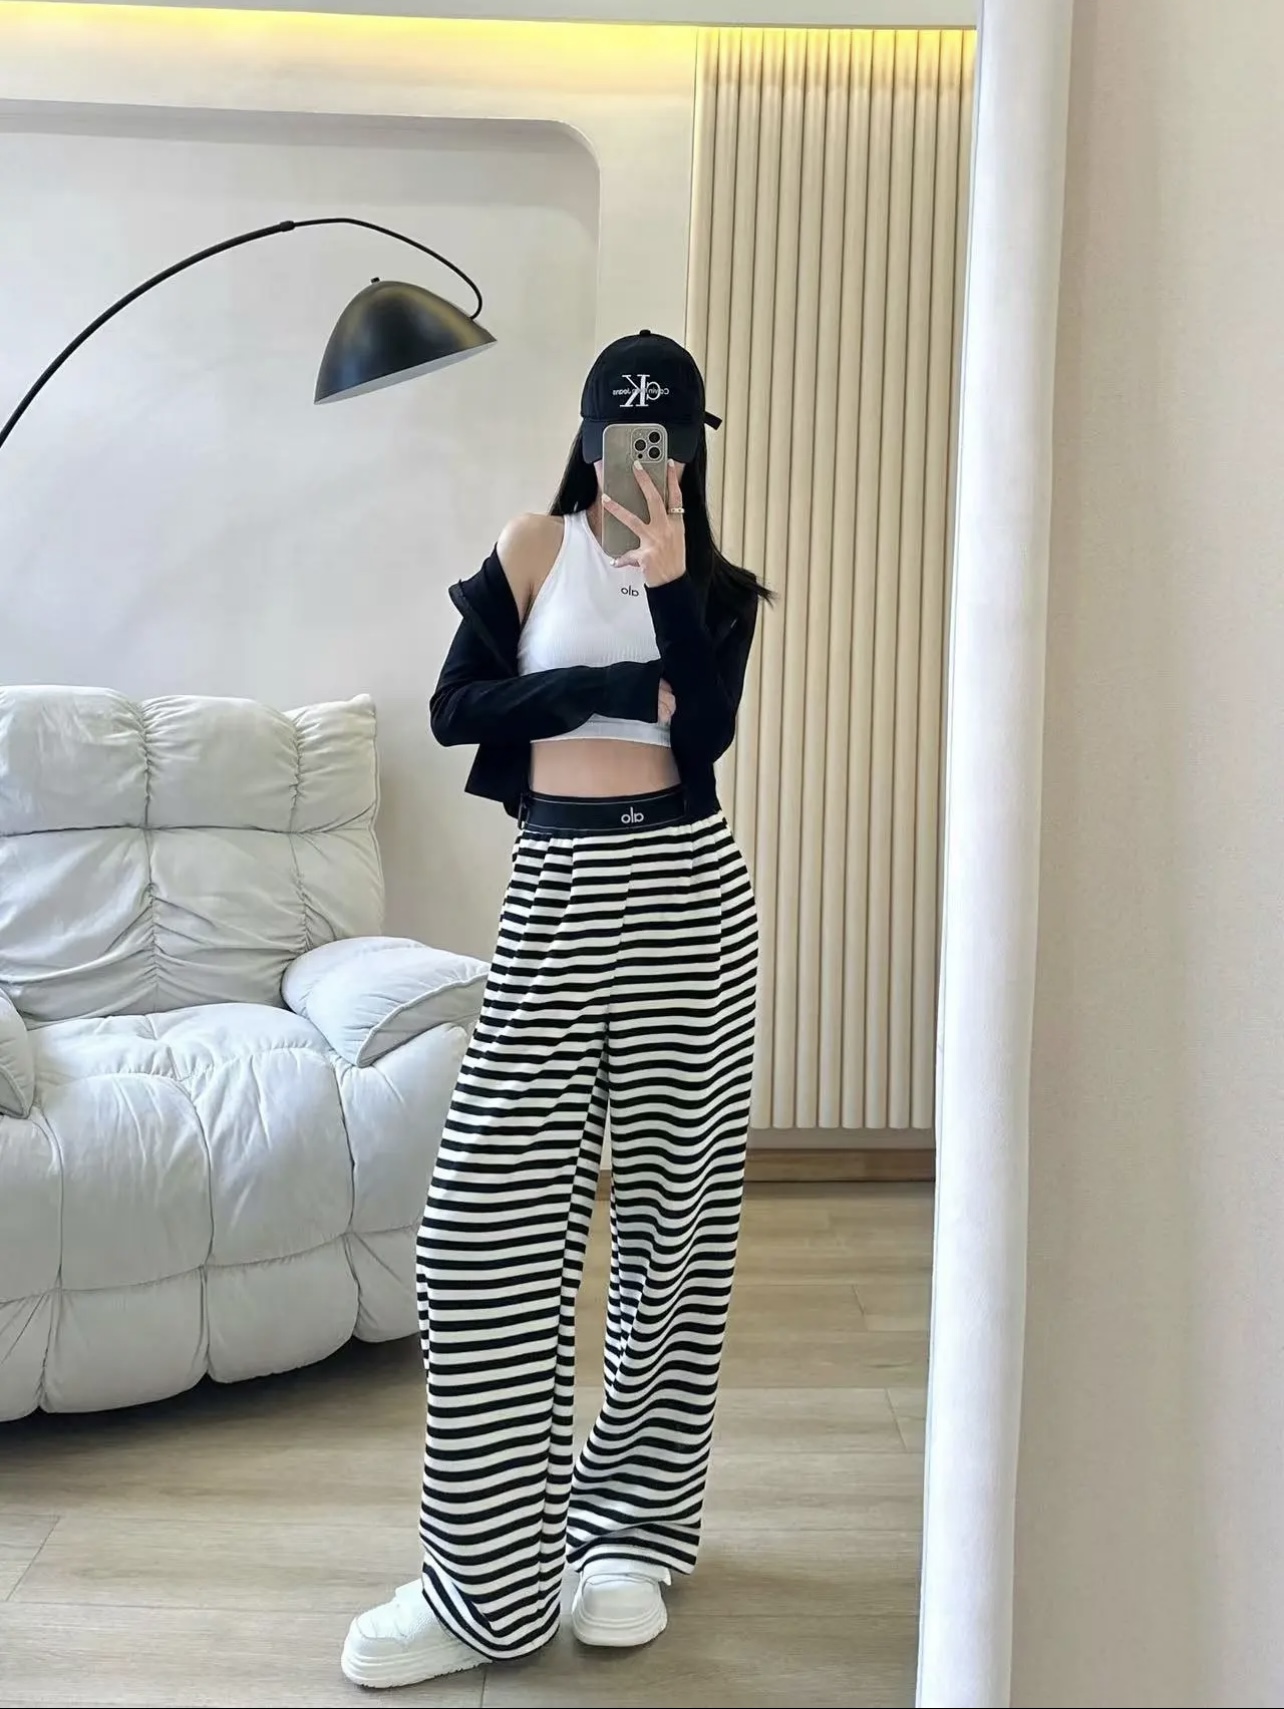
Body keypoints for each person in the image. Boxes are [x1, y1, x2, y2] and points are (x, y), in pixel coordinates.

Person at [341, 331, 769, 1690]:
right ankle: (488, 1584)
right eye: (621, 437)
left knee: (672, 1225)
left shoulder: (718, 590)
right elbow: (456, 705)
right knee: (477, 1227)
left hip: (689, 893)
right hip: (556, 887)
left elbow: (703, 737)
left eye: (665, 440)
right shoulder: (530, 547)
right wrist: (606, 685)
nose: (643, 461)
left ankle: (629, 1532)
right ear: (587, 439)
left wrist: (669, 591)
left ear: (690, 448)